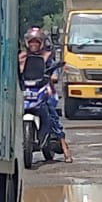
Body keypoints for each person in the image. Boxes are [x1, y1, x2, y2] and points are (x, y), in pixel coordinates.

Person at [18, 27, 72, 162]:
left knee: (51, 110)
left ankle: (65, 147)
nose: (33, 45)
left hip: (44, 89)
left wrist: (53, 75)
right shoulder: (22, 57)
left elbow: (54, 70)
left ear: (41, 43)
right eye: (31, 42)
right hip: (26, 90)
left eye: (36, 42)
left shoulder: (47, 56)